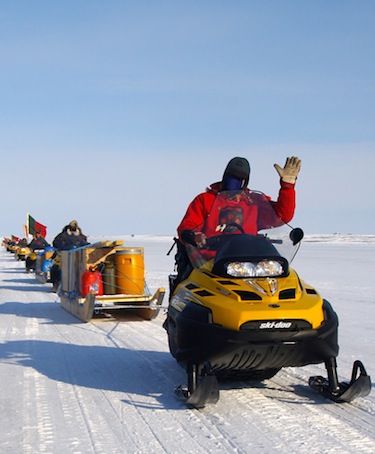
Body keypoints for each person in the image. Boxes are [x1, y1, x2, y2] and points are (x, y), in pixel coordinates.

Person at [172, 156, 301, 288]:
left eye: (238, 180)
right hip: (208, 262)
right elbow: (186, 226)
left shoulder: (254, 202)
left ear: (245, 182)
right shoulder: (205, 200)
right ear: (224, 176)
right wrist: (194, 236)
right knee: (192, 289)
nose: (232, 183)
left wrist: (287, 185)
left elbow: (282, 216)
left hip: (247, 263)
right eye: (230, 178)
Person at [50, 220, 89, 292]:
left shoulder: (80, 236)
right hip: (63, 254)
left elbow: (85, 244)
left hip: (77, 255)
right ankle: (56, 283)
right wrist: (60, 248)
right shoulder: (63, 235)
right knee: (55, 267)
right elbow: (55, 242)